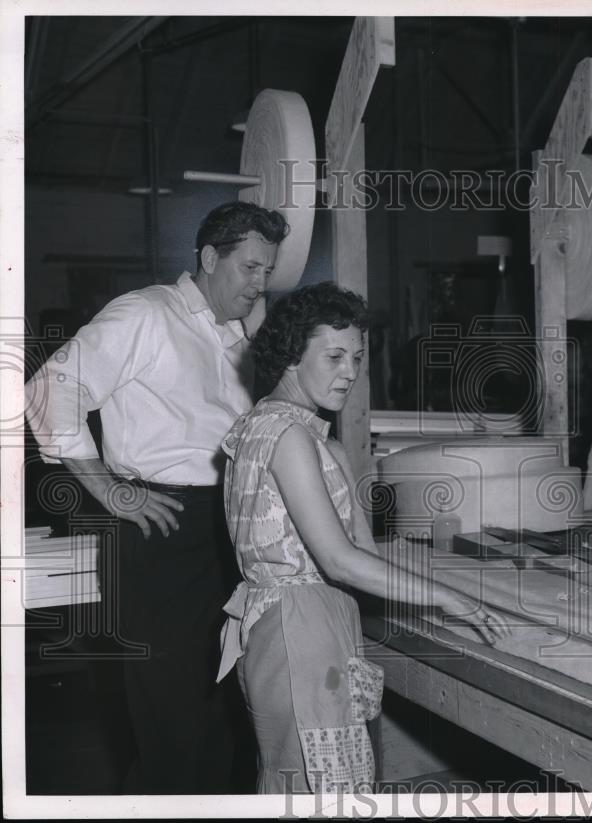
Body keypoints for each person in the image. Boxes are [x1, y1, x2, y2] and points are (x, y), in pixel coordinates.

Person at [25, 201, 290, 793]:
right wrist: (111, 492)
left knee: (228, 716)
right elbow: (49, 389)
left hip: (227, 527)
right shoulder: (146, 313)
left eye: (267, 272)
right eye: (249, 268)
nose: (259, 284)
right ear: (207, 258)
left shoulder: (235, 335)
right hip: (161, 528)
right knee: (174, 727)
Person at [217, 282, 512, 795]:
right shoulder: (286, 436)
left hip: (311, 622)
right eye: (333, 356)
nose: (350, 372)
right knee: (320, 791)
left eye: (355, 357)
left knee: (327, 783)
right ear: (290, 355)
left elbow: (361, 550)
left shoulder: (290, 431)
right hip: (300, 628)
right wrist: (450, 599)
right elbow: (340, 560)